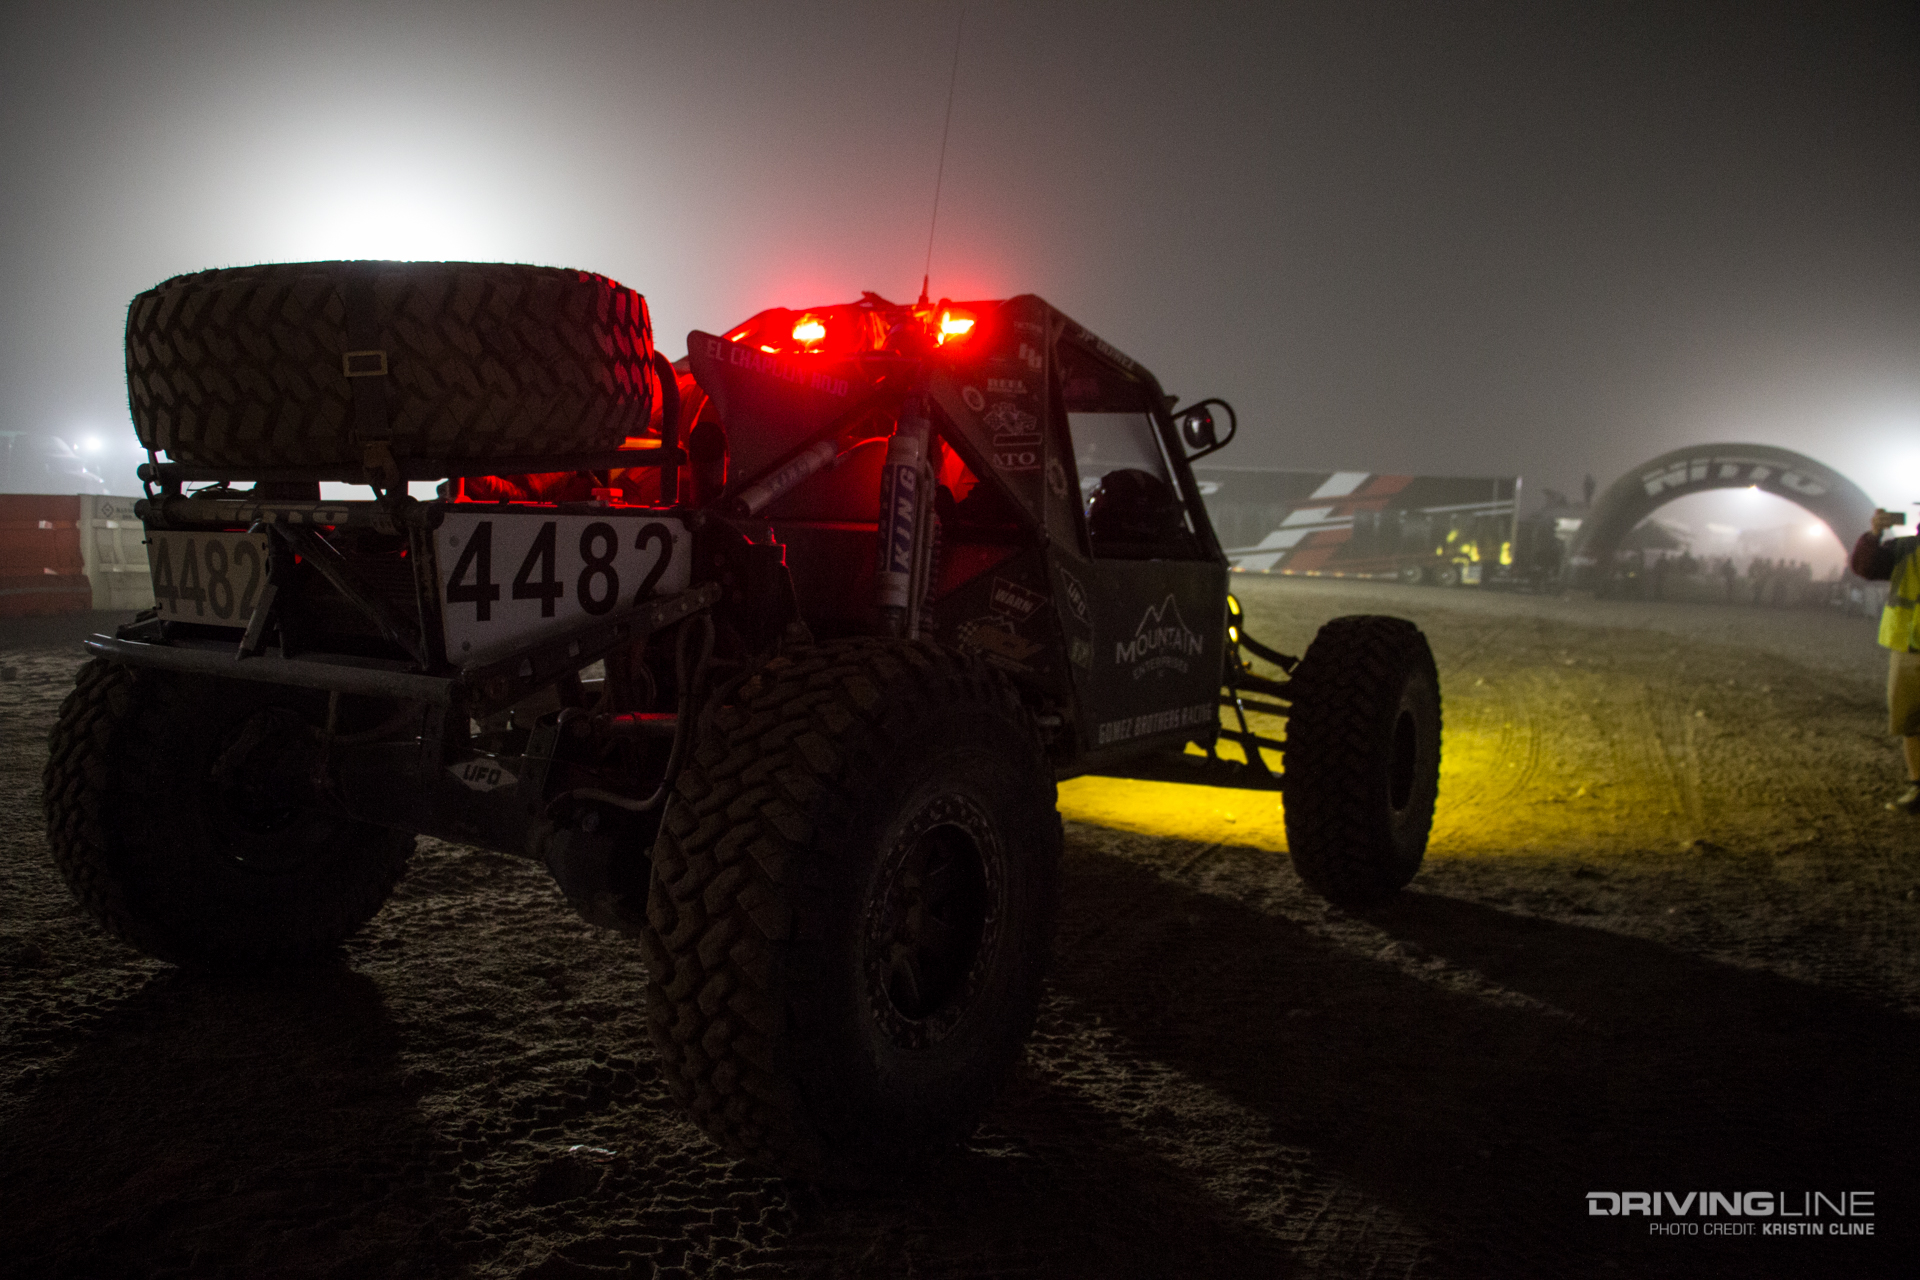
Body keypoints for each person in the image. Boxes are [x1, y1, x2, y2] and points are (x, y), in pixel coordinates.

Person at [1852, 509, 1920, 813]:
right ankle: (1919, 786)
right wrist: (1874, 535)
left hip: (1908, 649)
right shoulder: (1904, 548)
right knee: (1911, 721)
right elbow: (1865, 567)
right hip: (1908, 647)